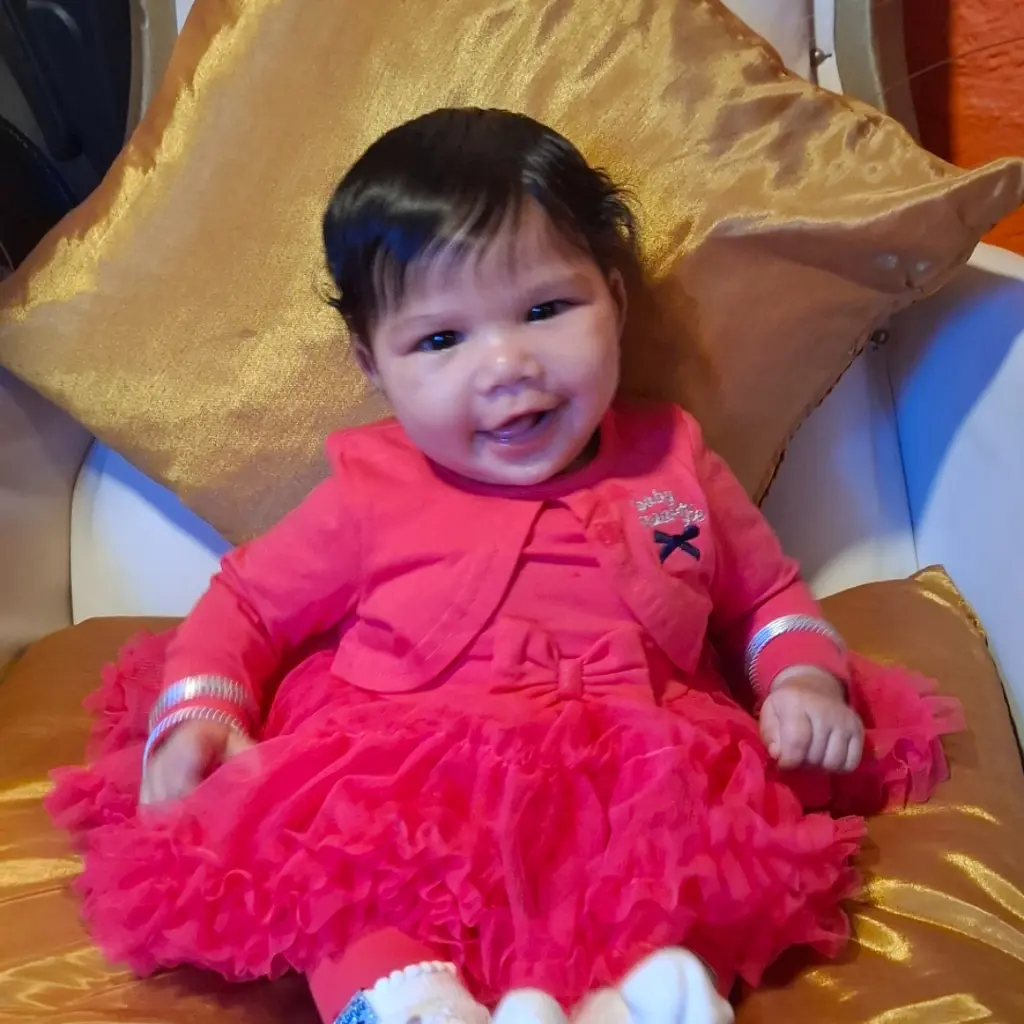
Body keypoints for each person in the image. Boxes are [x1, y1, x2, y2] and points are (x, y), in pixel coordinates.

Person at [48, 108, 963, 1024]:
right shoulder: (371, 492)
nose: (507, 365)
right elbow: (247, 604)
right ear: (373, 363)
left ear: (615, 300)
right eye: (441, 340)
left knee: (697, 861)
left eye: (546, 310)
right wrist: (203, 709)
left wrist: (801, 679)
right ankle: (404, 1000)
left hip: (640, 757)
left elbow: (764, 597)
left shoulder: (672, 463)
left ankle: (651, 999)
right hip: (406, 764)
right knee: (344, 869)